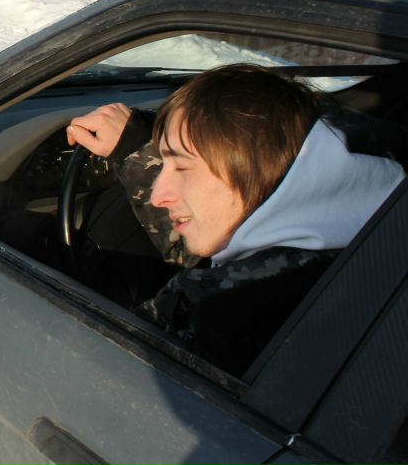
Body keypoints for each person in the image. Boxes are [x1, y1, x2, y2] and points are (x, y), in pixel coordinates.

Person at [66, 63, 404, 376]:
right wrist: (134, 147)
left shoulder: (207, 316)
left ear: (266, 172)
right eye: (164, 163)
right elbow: (220, 231)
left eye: (182, 166)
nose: (159, 195)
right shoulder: (376, 230)